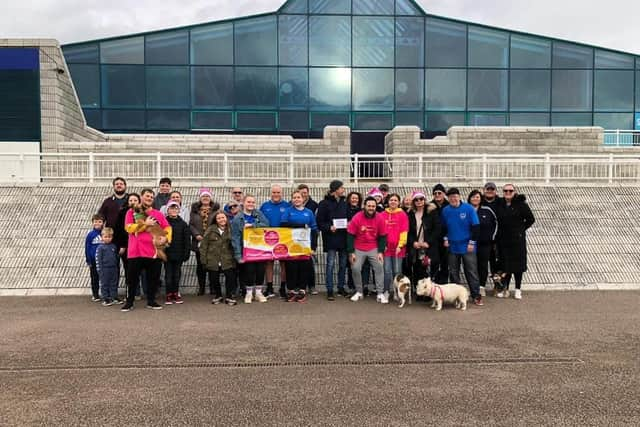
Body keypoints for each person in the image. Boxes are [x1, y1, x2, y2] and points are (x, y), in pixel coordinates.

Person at [121, 188, 172, 312]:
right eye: (147, 196)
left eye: (151, 197)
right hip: (135, 251)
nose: (149, 198)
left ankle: (151, 301)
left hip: (153, 251)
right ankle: (130, 302)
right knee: (132, 279)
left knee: (153, 279)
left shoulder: (158, 214)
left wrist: (166, 239)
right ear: (141, 197)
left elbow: (167, 227)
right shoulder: (131, 212)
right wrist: (145, 225)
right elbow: (128, 228)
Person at [441, 188, 483, 306]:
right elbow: (444, 227)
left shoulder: (468, 208)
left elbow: (476, 227)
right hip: (452, 246)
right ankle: (456, 297)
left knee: (471, 271)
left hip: (467, 245)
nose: (453, 199)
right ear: (448, 199)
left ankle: (476, 296)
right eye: (450, 197)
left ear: (459, 197)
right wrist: (445, 239)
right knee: (454, 272)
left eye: (455, 196)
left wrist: (472, 242)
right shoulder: (446, 210)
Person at [495, 184, 535, 300]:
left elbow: (531, 219)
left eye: (510, 190)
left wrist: (521, 230)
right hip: (503, 239)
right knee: (505, 265)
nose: (508, 192)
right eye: (505, 190)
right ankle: (505, 289)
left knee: (518, 266)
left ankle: (518, 289)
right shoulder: (500, 203)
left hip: (517, 240)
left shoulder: (521, 204)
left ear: (514, 191)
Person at [231, 195, 270, 304]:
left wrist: (253, 225)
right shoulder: (237, 218)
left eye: (253, 202)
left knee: (260, 271)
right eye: (248, 202)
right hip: (247, 250)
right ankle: (248, 293)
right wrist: (238, 255)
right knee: (249, 271)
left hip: (260, 248)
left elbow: (267, 224)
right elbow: (235, 238)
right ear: (243, 203)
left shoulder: (258, 213)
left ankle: (258, 293)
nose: (251, 204)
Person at [347, 197, 387, 303]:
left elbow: (383, 236)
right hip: (358, 247)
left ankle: (380, 293)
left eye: (373, 206)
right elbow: (350, 235)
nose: (371, 208)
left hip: (373, 247)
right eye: (369, 206)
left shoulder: (380, 218)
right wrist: (351, 252)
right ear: (364, 206)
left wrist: (380, 252)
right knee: (355, 267)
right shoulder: (357, 217)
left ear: (376, 207)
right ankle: (359, 291)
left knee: (379, 266)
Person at [280, 191, 318, 303]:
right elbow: (283, 225)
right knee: (291, 268)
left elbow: (314, 229)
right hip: (291, 246)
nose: (296, 199)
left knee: (303, 268)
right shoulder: (288, 211)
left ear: (303, 199)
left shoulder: (309, 212)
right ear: (292, 199)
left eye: (299, 197)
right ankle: (291, 291)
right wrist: (300, 226)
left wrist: (313, 247)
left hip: (305, 246)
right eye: (294, 197)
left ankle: (302, 291)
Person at [316, 180, 349, 300]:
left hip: (343, 238)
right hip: (331, 238)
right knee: (330, 265)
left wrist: (349, 224)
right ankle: (329, 290)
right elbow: (319, 222)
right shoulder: (324, 203)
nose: (343, 190)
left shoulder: (345, 203)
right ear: (335, 189)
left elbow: (348, 218)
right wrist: (329, 227)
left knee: (343, 264)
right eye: (341, 188)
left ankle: (341, 288)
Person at [200, 211, 238, 306]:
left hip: (227, 259)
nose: (222, 220)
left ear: (226, 218)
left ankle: (229, 296)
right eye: (219, 218)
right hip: (213, 259)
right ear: (216, 220)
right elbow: (204, 245)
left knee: (230, 278)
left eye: (223, 217)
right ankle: (218, 295)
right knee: (214, 279)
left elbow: (236, 244)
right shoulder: (210, 230)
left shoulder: (231, 229)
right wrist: (203, 260)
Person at [260, 184, 290, 299]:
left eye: (278, 192)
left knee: (283, 264)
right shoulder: (264, 206)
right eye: (274, 192)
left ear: (281, 193)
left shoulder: (287, 205)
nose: (276, 195)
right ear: (270, 193)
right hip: (268, 239)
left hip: (283, 239)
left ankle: (282, 288)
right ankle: (269, 287)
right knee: (269, 264)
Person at [406, 190, 441, 290]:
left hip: (428, 246)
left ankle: (430, 292)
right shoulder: (410, 213)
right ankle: (419, 291)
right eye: (416, 199)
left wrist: (428, 242)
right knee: (417, 270)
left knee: (429, 270)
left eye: (421, 199)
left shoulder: (432, 212)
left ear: (424, 200)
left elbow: (437, 229)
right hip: (416, 247)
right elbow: (408, 231)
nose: (419, 201)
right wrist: (413, 242)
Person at [468, 190, 498, 296]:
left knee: (483, 265)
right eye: (473, 197)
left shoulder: (487, 210)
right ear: (469, 198)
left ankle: (481, 286)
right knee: (471, 266)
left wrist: (491, 237)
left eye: (477, 197)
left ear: (481, 199)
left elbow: (496, 223)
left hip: (485, 244)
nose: (475, 199)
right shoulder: (466, 210)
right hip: (470, 243)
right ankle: (472, 287)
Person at [382, 193, 409, 302]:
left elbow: (404, 230)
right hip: (386, 248)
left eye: (395, 200)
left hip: (398, 248)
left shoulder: (402, 215)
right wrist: (382, 245)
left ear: (398, 202)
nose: (393, 202)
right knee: (387, 271)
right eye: (391, 200)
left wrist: (401, 244)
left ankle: (398, 293)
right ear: (388, 202)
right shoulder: (382, 214)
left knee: (397, 271)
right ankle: (386, 291)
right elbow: (380, 231)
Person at [164, 200, 191, 305]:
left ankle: (175, 293)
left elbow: (187, 240)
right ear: (168, 210)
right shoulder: (164, 222)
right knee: (168, 275)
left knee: (177, 275)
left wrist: (186, 253)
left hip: (179, 254)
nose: (174, 210)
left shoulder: (183, 224)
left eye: (176, 208)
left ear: (179, 210)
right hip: (167, 254)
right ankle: (168, 294)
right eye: (172, 208)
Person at [114, 193, 140, 298]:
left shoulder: (143, 212)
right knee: (128, 270)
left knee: (138, 270)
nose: (133, 202)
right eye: (131, 200)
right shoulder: (123, 213)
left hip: (140, 245)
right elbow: (120, 230)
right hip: (127, 245)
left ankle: (137, 292)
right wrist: (122, 245)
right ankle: (130, 293)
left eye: (135, 200)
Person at [298, 183, 319, 295]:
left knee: (309, 263)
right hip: (296, 239)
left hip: (309, 239)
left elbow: (315, 226)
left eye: (305, 193)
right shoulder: (292, 204)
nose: (303, 195)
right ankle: (299, 286)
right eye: (301, 193)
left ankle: (311, 286)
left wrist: (314, 245)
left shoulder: (314, 205)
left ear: (308, 193)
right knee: (297, 264)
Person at [190, 203, 214, 296]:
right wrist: (196, 235)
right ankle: (201, 288)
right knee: (200, 265)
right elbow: (191, 225)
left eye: (207, 196)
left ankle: (213, 287)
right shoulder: (195, 211)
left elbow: (217, 223)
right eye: (203, 196)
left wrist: (210, 235)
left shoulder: (214, 210)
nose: (205, 198)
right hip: (199, 240)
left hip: (212, 241)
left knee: (212, 265)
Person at [430, 183, 450, 284]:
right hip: (434, 239)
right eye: (435, 193)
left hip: (446, 238)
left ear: (444, 194)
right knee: (434, 262)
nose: (437, 195)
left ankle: (444, 284)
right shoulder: (430, 206)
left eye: (439, 193)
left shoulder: (449, 205)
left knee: (445, 263)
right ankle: (434, 284)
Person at [481, 182, 501, 281]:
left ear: (495, 191)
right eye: (487, 189)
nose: (489, 191)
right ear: (483, 190)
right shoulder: (479, 202)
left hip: (498, 238)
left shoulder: (501, 202)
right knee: (482, 263)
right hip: (484, 239)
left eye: (492, 189)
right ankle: (481, 285)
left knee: (496, 264)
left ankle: (498, 286)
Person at [96, 227, 120, 306]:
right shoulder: (100, 248)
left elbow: (116, 258)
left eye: (109, 237)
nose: (107, 239)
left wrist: (117, 267)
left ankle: (114, 296)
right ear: (102, 237)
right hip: (104, 269)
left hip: (113, 268)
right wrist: (100, 270)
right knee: (104, 284)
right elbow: (98, 259)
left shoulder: (113, 246)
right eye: (105, 237)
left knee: (114, 283)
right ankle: (105, 298)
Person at [345, 191, 363, 294]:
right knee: (351, 264)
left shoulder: (361, 211)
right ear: (349, 199)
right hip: (348, 240)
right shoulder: (345, 210)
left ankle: (360, 287)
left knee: (359, 266)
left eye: (356, 198)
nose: (354, 200)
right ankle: (351, 286)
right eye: (353, 198)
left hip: (360, 240)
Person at [85, 214, 105, 302]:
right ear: (92, 223)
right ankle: (95, 294)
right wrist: (88, 260)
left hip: (104, 260)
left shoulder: (105, 233)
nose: (97, 223)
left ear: (103, 223)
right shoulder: (90, 235)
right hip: (93, 260)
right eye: (95, 222)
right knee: (94, 277)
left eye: (99, 222)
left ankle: (106, 294)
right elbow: (87, 247)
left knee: (104, 277)